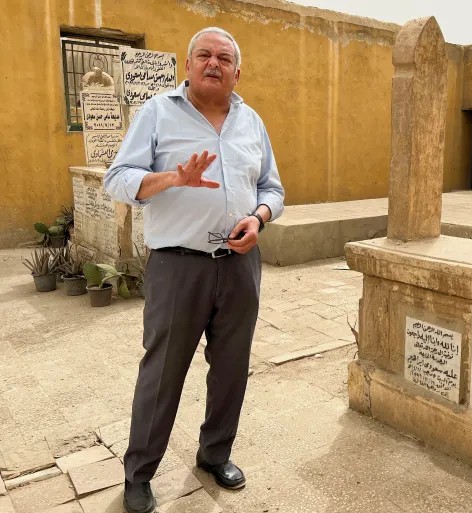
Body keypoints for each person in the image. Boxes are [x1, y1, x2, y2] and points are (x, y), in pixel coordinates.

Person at [104, 26, 284, 513]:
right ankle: (139, 474)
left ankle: (214, 454)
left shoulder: (252, 122)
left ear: (237, 72)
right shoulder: (158, 112)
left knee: (231, 368)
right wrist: (172, 178)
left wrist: (258, 218)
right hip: (178, 266)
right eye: (203, 55)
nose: (213, 63)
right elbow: (117, 179)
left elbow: (272, 189)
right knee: (162, 372)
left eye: (224, 58)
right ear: (188, 65)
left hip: (240, 265)